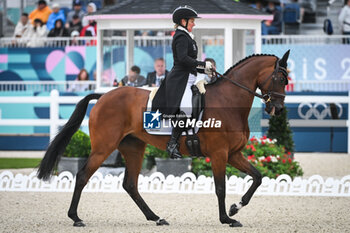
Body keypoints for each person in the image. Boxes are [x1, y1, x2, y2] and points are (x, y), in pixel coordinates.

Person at [151, 5, 213, 159]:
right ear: (183, 21)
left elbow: (190, 61)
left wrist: (204, 70)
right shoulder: (180, 36)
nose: (194, 24)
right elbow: (184, 59)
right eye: (192, 21)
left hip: (191, 77)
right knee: (186, 109)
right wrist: (202, 64)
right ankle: (173, 144)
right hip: (181, 79)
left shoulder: (187, 37)